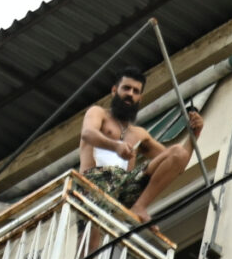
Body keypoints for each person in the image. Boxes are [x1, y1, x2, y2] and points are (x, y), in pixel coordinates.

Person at [79, 66, 204, 224]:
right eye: (126, 88)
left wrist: (195, 134)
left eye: (136, 91)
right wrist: (116, 146)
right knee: (93, 235)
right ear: (114, 91)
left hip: (124, 189)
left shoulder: (139, 134)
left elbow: (178, 164)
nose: (130, 94)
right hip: (93, 184)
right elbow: (88, 133)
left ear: (140, 98)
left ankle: (139, 207)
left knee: (178, 152)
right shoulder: (98, 113)